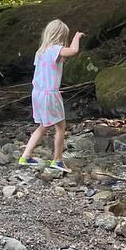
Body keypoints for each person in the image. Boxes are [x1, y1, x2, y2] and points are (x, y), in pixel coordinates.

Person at [18, 19, 85, 170]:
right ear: (60, 36)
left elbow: (45, 71)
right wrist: (76, 38)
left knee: (43, 126)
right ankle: (58, 160)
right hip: (49, 94)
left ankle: (25, 156)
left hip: (38, 93)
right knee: (61, 127)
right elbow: (74, 51)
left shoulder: (41, 51)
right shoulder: (55, 49)